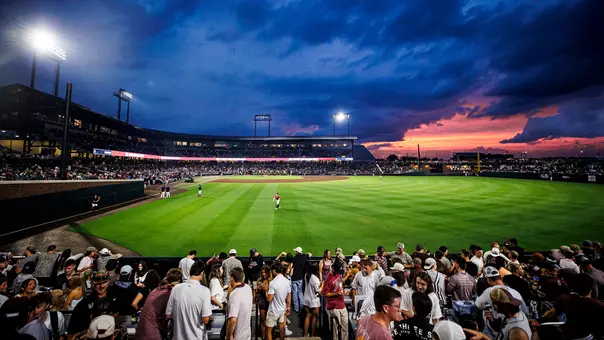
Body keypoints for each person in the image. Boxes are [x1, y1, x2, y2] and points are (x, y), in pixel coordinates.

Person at [475, 266, 527, 339]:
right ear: (500, 277)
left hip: (495, 334)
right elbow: (524, 311)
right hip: (514, 329)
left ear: (488, 280)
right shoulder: (515, 292)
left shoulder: (489, 292)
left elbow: (476, 306)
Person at [166, 261, 212, 340]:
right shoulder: (205, 291)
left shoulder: (176, 288)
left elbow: (168, 314)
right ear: (202, 273)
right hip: (196, 337)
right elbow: (205, 320)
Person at [67, 271, 119, 337]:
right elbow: (72, 332)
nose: (101, 286)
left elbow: (117, 312)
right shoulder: (84, 304)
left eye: (104, 282)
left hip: (110, 333)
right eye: (98, 283)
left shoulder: (114, 296)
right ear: (92, 283)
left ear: (108, 281)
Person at [134, 268, 182, 340]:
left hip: (140, 332)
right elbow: (169, 316)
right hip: (152, 334)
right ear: (178, 280)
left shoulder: (156, 290)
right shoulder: (169, 293)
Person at [322, 260, 348, 340]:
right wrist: (337, 294)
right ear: (332, 268)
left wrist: (347, 275)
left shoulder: (338, 274)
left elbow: (340, 282)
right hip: (333, 307)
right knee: (335, 330)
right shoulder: (328, 279)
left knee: (345, 328)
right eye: (337, 270)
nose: (338, 272)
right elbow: (325, 293)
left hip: (342, 305)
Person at [266, 263, 292, 340]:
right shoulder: (287, 281)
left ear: (274, 271)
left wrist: (265, 291)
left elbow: (269, 299)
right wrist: (288, 307)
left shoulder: (273, 283)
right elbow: (289, 295)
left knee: (268, 330)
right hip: (282, 309)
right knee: (282, 328)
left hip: (274, 310)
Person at [226, 267, 253, 340]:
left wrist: (228, 336)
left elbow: (233, 320)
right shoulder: (248, 288)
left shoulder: (234, 294)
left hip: (237, 336)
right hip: (247, 333)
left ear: (232, 278)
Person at [291, 246, 310, 313]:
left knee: (294, 293)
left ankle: (296, 308)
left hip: (294, 278)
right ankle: (302, 307)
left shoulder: (294, 258)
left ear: (297, 252)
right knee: (300, 292)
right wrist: (305, 254)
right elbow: (310, 254)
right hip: (300, 278)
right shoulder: (304, 257)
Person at [303, 262, 321, 337]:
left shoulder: (306, 275)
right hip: (314, 300)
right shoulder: (315, 279)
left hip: (306, 299)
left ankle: (305, 334)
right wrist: (322, 285)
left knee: (307, 316)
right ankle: (313, 334)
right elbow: (318, 291)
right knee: (314, 318)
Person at [256, 265, 273, 339]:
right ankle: (263, 336)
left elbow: (271, 294)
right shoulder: (259, 280)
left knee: (269, 321)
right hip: (262, 301)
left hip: (270, 302)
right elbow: (257, 293)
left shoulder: (272, 281)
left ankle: (268, 336)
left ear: (268, 273)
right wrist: (258, 290)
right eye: (262, 272)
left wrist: (266, 290)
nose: (263, 274)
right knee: (263, 320)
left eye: (265, 273)